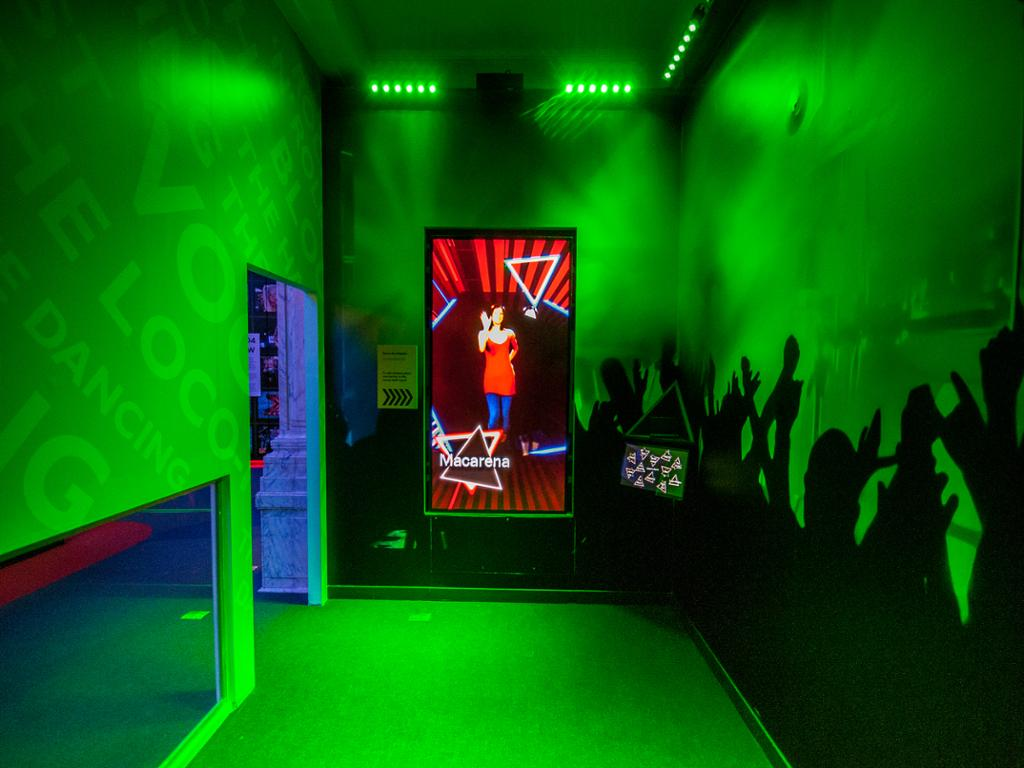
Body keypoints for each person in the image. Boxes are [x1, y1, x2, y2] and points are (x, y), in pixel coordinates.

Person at [478, 305, 518, 437]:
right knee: (494, 414)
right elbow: (481, 348)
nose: (499, 316)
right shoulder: (483, 334)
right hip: (491, 379)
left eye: (501, 314)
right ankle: (491, 438)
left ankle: (504, 437)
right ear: (491, 316)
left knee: (506, 415)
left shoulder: (509, 333)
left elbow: (516, 348)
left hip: (507, 378)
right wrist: (485, 328)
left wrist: (508, 360)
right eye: (496, 313)